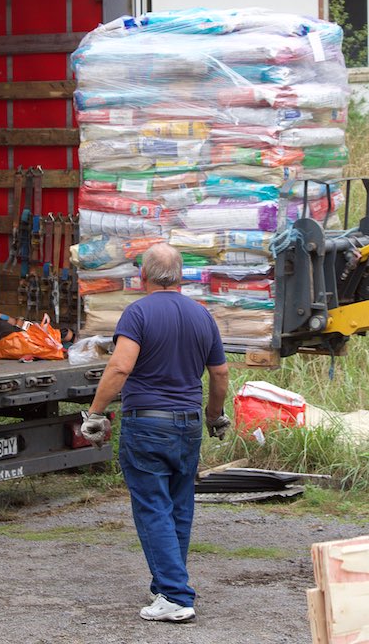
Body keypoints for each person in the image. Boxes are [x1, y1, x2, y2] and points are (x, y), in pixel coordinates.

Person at [80, 243, 230, 623]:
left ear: (142, 276)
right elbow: (220, 373)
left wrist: (95, 413)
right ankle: (167, 586)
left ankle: (176, 596)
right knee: (179, 507)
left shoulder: (138, 313)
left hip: (147, 424)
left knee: (152, 508)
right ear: (180, 277)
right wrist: (214, 416)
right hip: (188, 424)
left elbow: (120, 367)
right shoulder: (202, 316)